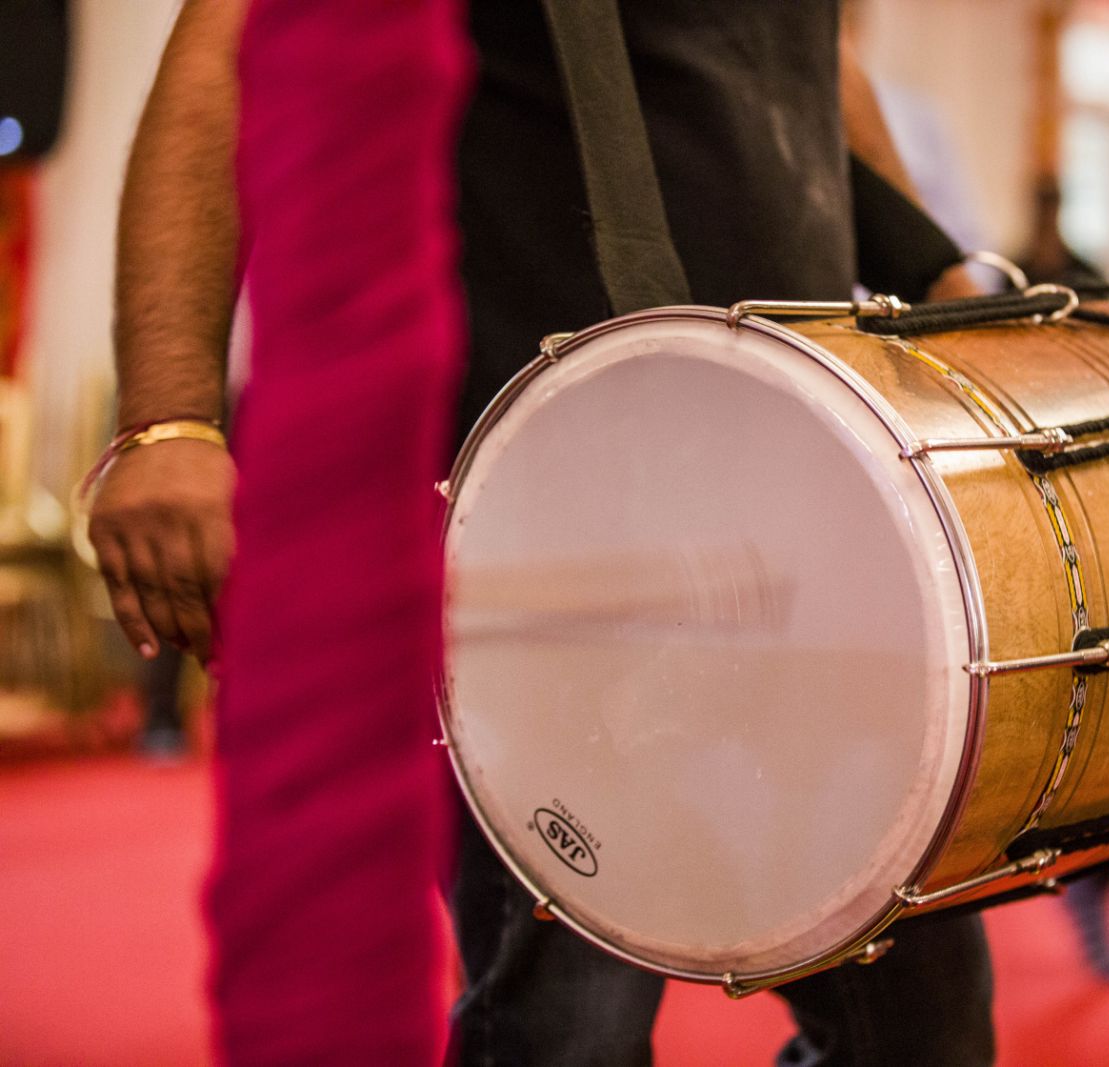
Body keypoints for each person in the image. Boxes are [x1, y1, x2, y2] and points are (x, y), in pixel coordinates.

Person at [87, 0, 996, 1063]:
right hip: (546, 510)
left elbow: (803, 67)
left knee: (921, 1022)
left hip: (811, 489)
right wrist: (168, 419)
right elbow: (235, 48)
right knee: (568, 1027)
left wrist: (943, 281)